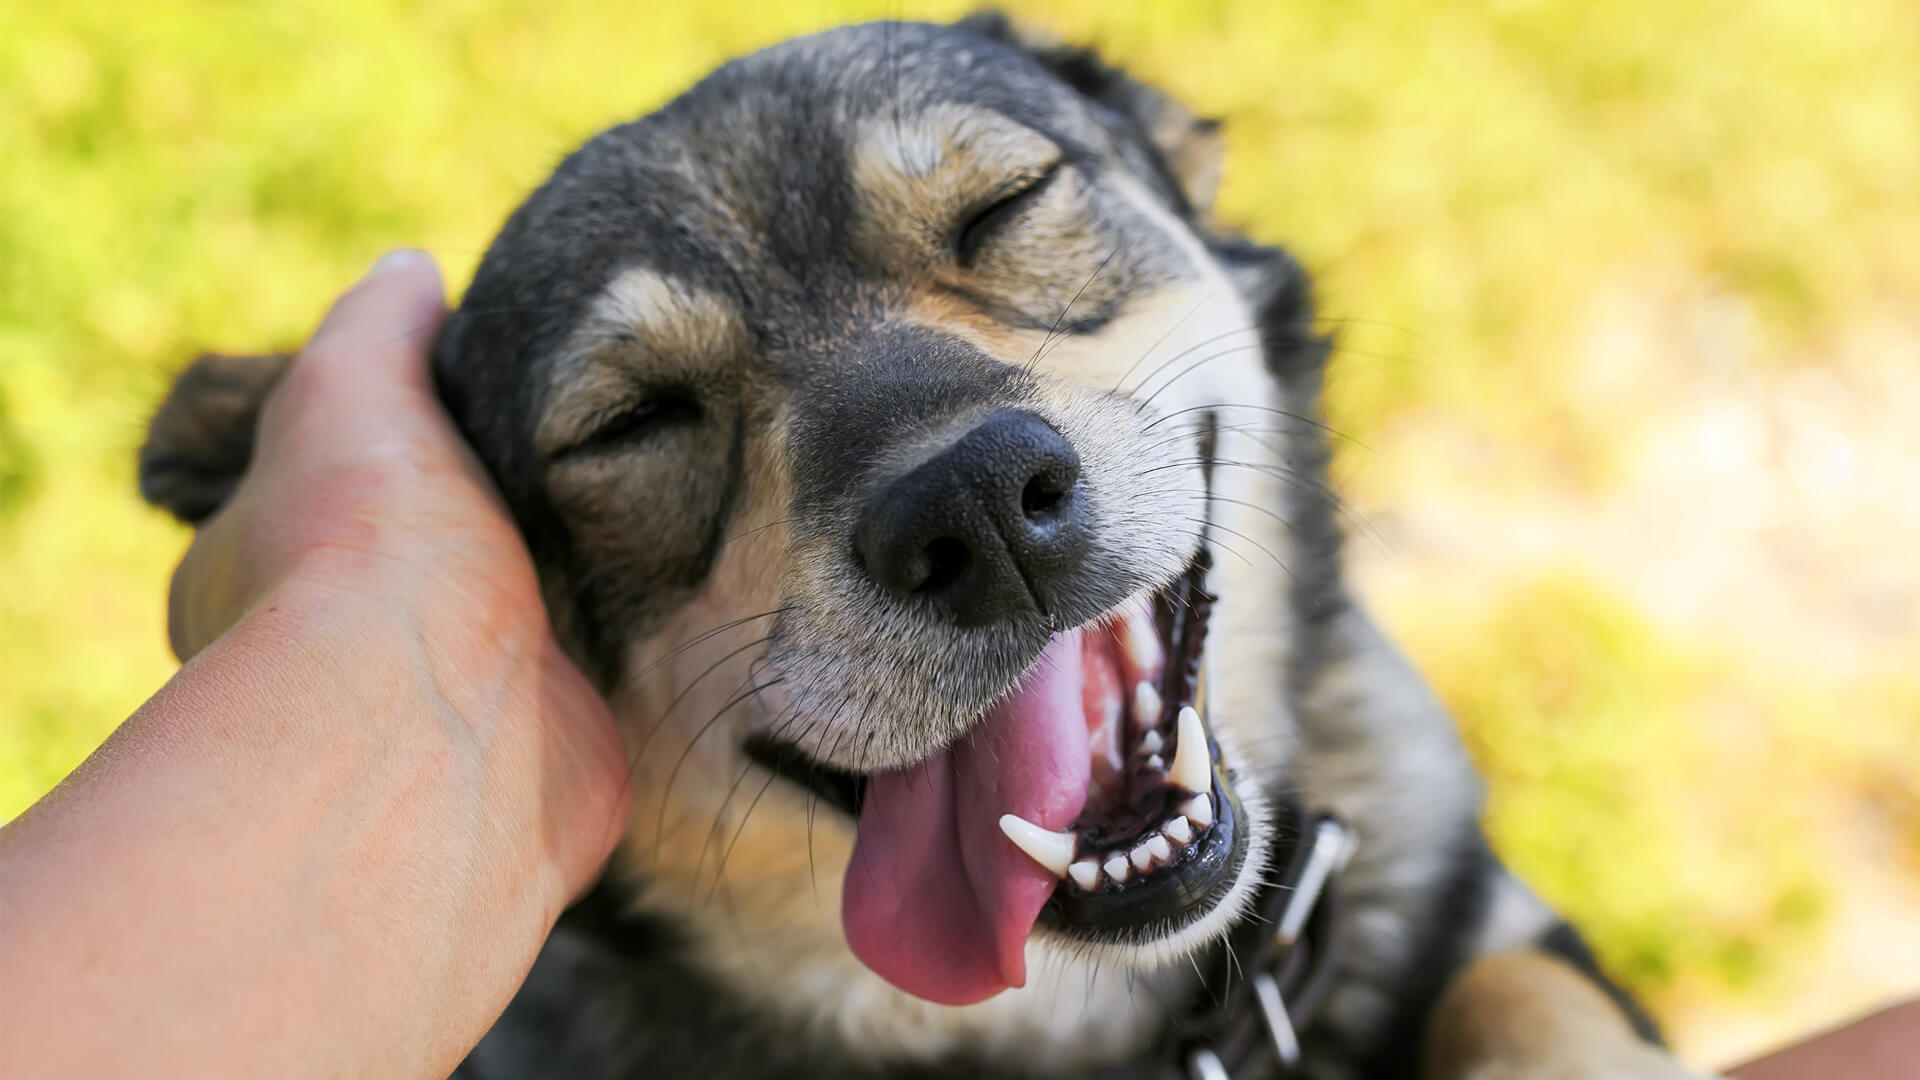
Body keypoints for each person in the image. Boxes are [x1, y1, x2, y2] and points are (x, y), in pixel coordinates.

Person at [0, 253, 1910, 1078]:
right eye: (644, 416)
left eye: (1000, 225)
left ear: (1200, 217)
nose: (962, 473)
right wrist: (373, 622)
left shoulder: (1374, 793)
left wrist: (1525, 1024)